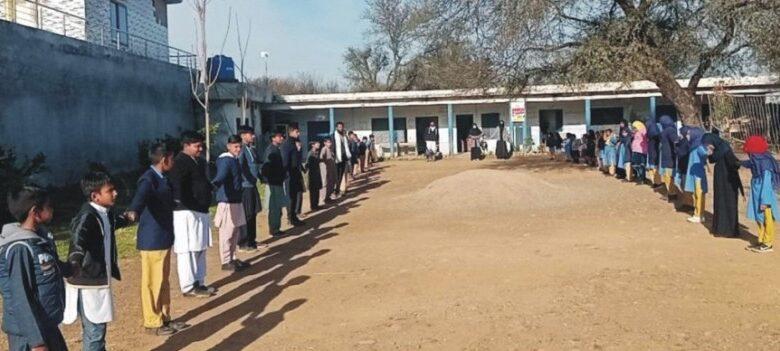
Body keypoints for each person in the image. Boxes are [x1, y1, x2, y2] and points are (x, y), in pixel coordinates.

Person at [126, 143, 189, 336]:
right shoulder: (149, 179)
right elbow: (140, 197)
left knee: (162, 281)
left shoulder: (162, 177)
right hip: (153, 238)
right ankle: (152, 321)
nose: (173, 163)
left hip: (163, 236)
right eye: (171, 159)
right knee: (152, 282)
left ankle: (164, 316)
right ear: (164, 160)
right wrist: (133, 211)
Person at [64, 171, 130, 351]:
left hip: (97, 280)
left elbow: (111, 224)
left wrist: (126, 218)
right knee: (95, 331)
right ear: (95, 196)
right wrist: (75, 259)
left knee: (95, 330)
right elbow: (79, 237)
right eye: (110, 190)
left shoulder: (104, 213)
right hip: (88, 282)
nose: (115, 193)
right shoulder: (87, 215)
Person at [1, 186, 69, 351]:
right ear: (35, 212)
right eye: (49, 206)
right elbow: (20, 296)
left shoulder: (39, 240)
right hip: (29, 335)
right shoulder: (20, 248)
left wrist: (70, 268)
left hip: (47, 326)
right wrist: (36, 342)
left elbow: (47, 267)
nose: (53, 208)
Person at [168, 132, 215, 298]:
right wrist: (186, 203)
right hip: (186, 212)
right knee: (187, 249)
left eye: (201, 145)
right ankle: (188, 285)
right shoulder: (179, 162)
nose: (200, 149)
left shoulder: (199, 162)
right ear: (186, 145)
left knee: (200, 247)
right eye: (197, 146)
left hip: (201, 209)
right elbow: (177, 188)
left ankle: (199, 281)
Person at [212, 135, 250, 272]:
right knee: (227, 233)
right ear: (228, 146)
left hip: (235, 199)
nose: (238, 149)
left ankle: (232, 258)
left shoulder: (234, 160)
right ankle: (226, 260)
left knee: (235, 231)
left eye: (240, 146)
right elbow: (221, 176)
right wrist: (213, 185)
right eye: (235, 146)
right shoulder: (225, 160)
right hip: (227, 201)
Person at [702, 133, 744, 237]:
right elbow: (712, 160)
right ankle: (719, 228)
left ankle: (729, 230)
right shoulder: (717, 150)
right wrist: (710, 153)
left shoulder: (725, 148)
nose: (708, 147)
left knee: (729, 204)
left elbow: (734, 163)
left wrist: (742, 164)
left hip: (729, 181)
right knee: (720, 202)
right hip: (720, 180)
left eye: (708, 144)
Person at [743, 136, 780, 253]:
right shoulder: (758, 161)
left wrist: (765, 201)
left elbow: (767, 186)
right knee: (759, 217)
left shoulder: (765, 166)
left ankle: (767, 243)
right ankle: (762, 239)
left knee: (766, 218)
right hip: (757, 195)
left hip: (765, 197)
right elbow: (750, 163)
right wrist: (739, 162)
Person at [237, 125, 263, 252]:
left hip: (252, 185)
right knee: (246, 214)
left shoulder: (250, 149)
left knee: (253, 212)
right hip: (245, 186)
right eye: (250, 134)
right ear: (243, 136)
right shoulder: (241, 149)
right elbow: (240, 166)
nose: (253, 136)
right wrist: (248, 178)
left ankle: (251, 240)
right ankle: (243, 242)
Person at [262, 131, 290, 236]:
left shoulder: (277, 149)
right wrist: (270, 179)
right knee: (274, 207)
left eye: (282, 136)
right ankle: (274, 229)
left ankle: (276, 228)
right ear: (273, 138)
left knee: (278, 206)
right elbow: (266, 167)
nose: (282, 138)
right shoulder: (271, 150)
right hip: (273, 182)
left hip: (278, 181)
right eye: (279, 136)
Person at [281, 127, 306, 226]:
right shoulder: (287, 144)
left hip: (296, 173)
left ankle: (294, 215)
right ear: (290, 132)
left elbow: (297, 159)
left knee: (296, 195)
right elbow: (285, 161)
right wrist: (285, 174)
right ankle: (290, 217)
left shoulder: (295, 143)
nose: (298, 133)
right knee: (291, 197)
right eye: (296, 132)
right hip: (290, 175)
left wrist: (299, 150)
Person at [684, 127, 708, 223]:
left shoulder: (699, 147)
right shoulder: (694, 146)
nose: (687, 135)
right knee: (697, 194)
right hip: (696, 173)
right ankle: (700, 214)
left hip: (698, 174)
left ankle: (698, 214)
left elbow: (705, 154)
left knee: (699, 194)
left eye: (689, 134)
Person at [332, 122, 352, 196]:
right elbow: (332, 147)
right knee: (336, 175)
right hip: (336, 158)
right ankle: (334, 191)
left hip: (344, 158)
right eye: (339, 127)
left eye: (342, 127)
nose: (341, 128)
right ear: (336, 128)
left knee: (341, 175)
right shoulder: (333, 136)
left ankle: (337, 190)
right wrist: (333, 157)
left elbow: (347, 146)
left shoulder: (344, 136)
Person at [306, 141, 323, 211]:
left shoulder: (317, 153)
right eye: (317, 144)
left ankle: (316, 204)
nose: (319, 145)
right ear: (313, 145)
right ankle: (313, 206)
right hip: (312, 174)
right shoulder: (310, 153)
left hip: (317, 173)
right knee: (313, 191)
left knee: (317, 190)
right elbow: (307, 164)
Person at [320, 138, 338, 203]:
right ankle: (324, 198)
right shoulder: (324, 149)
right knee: (325, 183)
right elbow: (322, 157)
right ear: (324, 143)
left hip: (331, 169)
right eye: (328, 142)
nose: (329, 144)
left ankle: (328, 196)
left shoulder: (330, 150)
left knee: (331, 182)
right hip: (326, 170)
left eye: (330, 142)